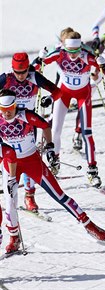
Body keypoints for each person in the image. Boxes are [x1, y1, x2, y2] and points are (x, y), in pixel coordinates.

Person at [0, 89, 105, 254]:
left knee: (59, 195)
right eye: (2, 110)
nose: (6, 113)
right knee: (9, 204)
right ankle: (14, 238)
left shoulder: (26, 116)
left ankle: (89, 225)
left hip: (32, 161)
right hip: (10, 164)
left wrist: (50, 147)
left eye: (9, 109)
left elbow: (45, 126)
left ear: (15, 105)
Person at [40, 32, 105, 187]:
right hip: (64, 93)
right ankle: (55, 163)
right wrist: (40, 58)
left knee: (87, 133)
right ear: (65, 47)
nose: (73, 55)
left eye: (76, 51)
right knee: (56, 130)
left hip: (82, 95)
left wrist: (103, 65)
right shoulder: (60, 54)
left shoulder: (87, 56)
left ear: (80, 47)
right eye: (70, 51)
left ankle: (92, 170)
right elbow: (37, 66)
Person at [0, 52, 60, 212]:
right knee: (7, 157)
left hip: (28, 123)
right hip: (6, 123)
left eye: (24, 72)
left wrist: (50, 99)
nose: (20, 76)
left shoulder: (34, 77)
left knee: (28, 159)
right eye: (17, 72)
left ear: (28, 68)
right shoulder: (6, 79)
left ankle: (29, 196)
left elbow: (58, 91)